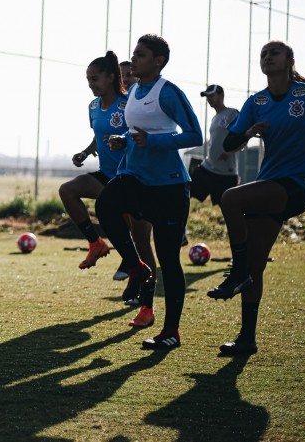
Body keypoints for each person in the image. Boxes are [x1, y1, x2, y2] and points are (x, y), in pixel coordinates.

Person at [207, 40, 305, 356]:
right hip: (270, 185)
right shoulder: (256, 101)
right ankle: (246, 339)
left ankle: (237, 271)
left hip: (297, 185)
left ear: (289, 60)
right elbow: (229, 143)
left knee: (230, 199)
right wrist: (249, 131)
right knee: (256, 267)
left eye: (274, 53)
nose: (267, 57)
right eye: (263, 54)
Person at [95, 34, 203, 350]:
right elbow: (137, 133)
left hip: (169, 186)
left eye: (141, 55)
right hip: (136, 177)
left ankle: (171, 331)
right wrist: (123, 140)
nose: (134, 59)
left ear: (158, 61)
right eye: (134, 54)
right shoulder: (136, 91)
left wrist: (153, 142)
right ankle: (136, 266)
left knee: (170, 260)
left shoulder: (167, 92)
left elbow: (194, 134)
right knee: (106, 205)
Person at [60, 52, 157, 312]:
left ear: (111, 78)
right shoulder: (93, 107)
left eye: (95, 79)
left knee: (141, 242)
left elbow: (141, 136)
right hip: (106, 176)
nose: (90, 84)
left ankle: (146, 298)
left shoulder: (129, 105)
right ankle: (95, 243)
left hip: (134, 179)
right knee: (68, 190)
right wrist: (86, 150)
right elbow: (98, 135)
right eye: (88, 79)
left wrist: (125, 140)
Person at [188, 84, 243, 223]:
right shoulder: (214, 118)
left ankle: (244, 235)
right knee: (185, 191)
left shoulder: (232, 113)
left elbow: (243, 137)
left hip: (226, 173)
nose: (209, 99)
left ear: (221, 95)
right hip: (208, 167)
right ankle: (179, 229)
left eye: (212, 95)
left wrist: (230, 151)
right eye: (207, 97)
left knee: (230, 208)